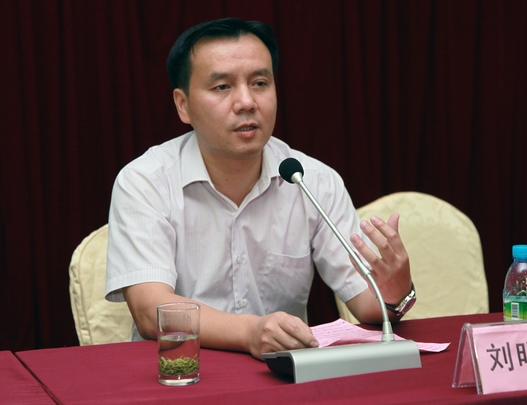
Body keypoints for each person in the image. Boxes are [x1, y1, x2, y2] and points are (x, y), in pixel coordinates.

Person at [105, 17, 413, 360]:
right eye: (222, 87)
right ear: (183, 105)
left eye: (260, 83)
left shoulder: (312, 180)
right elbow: (151, 311)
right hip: (180, 373)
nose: (246, 102)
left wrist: (395, 290)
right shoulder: (145, 181)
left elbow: (367, 304)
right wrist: (249, 333)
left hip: (283, 376)